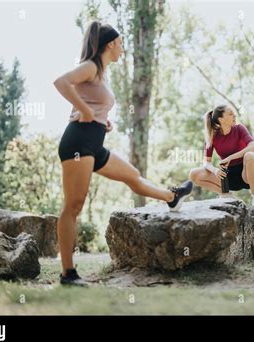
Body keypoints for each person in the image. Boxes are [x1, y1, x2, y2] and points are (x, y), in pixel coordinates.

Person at [54, 21, 192, 286]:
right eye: (120, 44)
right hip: (77, 144)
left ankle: (171, 197)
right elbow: (61, 82)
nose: (122, 50)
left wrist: (101, 120)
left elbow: (93, 104)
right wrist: (84, 110)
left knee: (133, 176)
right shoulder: (91, 65)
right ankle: (68, 274)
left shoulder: (101, 73)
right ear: (110, 44)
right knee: (73, 205)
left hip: (94, 145)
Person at [189, 105, 254, 206]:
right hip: (227, 177)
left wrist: (231, 157)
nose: (234, 116)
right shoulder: (212, 136)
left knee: (250, 155)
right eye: (231, 114)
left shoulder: (239, 128)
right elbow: (206, 162)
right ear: (221, 119)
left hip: (246, 174)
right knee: (193, 174)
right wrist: (215, 170)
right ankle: (226, 195)